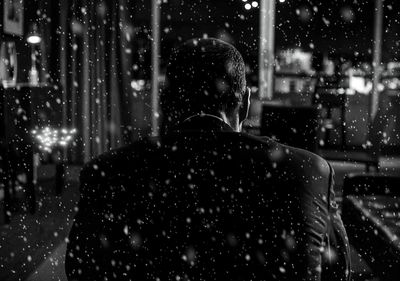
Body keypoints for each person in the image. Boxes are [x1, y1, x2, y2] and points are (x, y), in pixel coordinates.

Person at [66, 38, 350, 281]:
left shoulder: (108, 170)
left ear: (165, 101)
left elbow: (81, 269)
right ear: (246, 102)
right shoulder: (308, 169)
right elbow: (338, 270)